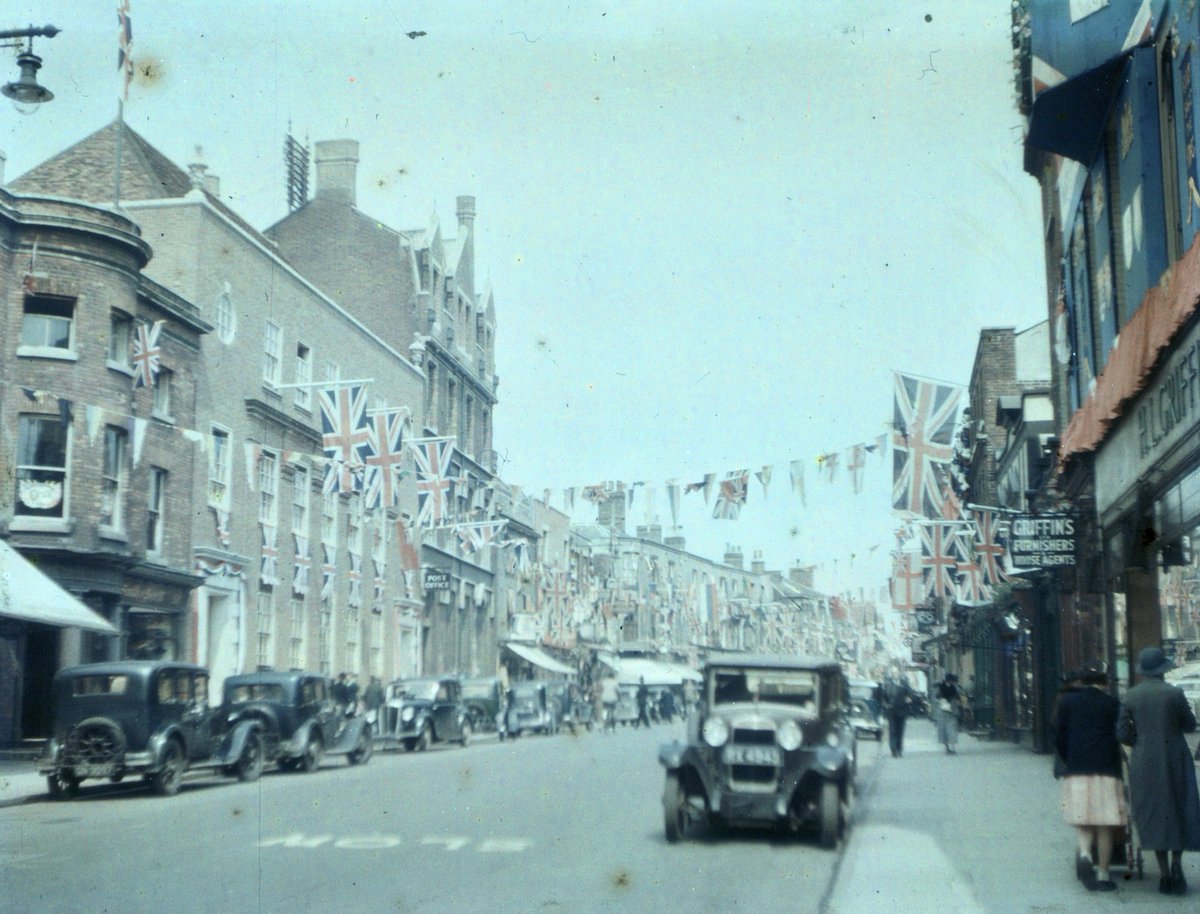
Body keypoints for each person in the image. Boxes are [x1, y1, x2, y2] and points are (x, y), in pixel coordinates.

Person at [1117, 646, 1200, 896]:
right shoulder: (1173, 693)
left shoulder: (1130, 696)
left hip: (1145, 761)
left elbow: (1121, 732)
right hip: (1175, 757)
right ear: (1162, 669)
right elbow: (1190, 724)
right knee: (1180, 808)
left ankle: (1164, 874)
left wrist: (1139, 742)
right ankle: (1177, 865)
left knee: (1155, 812)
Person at [1053, 668, 1127, 893]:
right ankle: (1103, 874)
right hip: (1106, 769)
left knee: (1084, 821)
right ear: (1104, 682)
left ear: (1083, 681)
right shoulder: (1112, 703)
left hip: (1077, 769)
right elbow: (1120, 734)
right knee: (1105, 825)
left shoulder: (1067, 702)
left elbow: (1058, 735)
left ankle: (1085, 854)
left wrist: (1069, 758)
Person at [881, 670, 910, 758]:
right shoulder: (888, 685)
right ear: (892, 675)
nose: (895, 675)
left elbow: (910, 694)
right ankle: (893, 750)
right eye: (893, 673)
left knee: (900, 731)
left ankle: (899, 749)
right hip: (892, 712)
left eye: (896, 673)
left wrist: (909, 698)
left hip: (902, 711)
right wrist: (887, 705)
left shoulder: (904, 684)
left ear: (899, 674)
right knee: (893, 731)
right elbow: (883, 697)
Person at [935, 673, 962, 754]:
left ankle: (952, 748)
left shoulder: (954, 688)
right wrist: (941, 701)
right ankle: (947, 748)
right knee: (944, 731)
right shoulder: (941, 688)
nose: (950, 683)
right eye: (950, 681)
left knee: (952, 730)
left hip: (952, 712)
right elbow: (936, 697)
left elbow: (959, 696)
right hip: (943, 712)